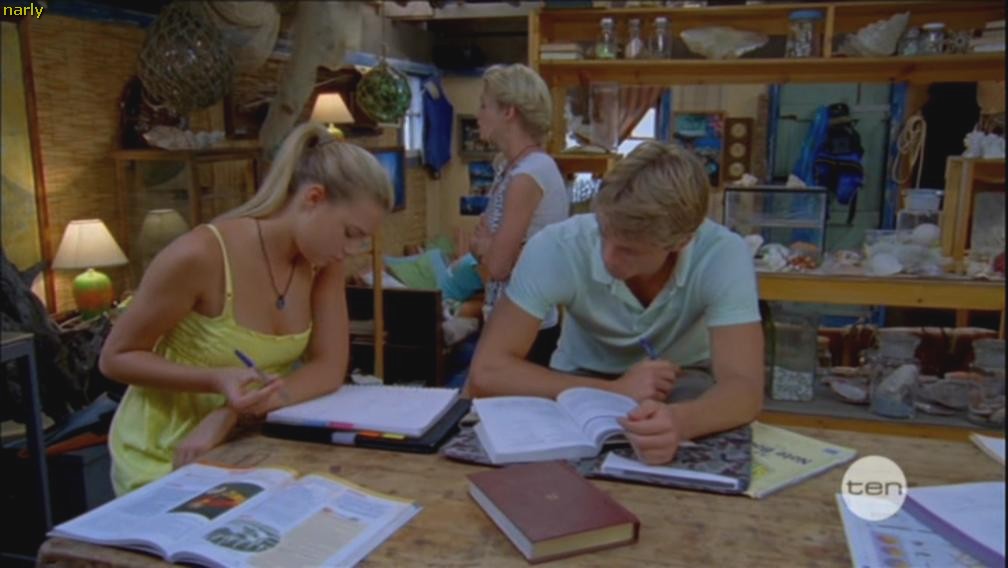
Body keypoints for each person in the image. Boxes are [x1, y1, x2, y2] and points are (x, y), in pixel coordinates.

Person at [99, 122, 393, 494]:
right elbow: (116, 358)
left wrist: (232, 412)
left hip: (247, 442)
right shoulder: (200, 255)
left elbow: (329, 368)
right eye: (350, 233)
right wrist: (216, 380)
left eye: (362, 240)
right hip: (167, 452)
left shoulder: (323, 263)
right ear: (313, 198)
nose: (351, 251)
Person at [468, 141, 764, 465]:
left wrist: (681, 422)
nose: (608, 256)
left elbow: (744, 389)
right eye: (604, 232)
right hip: (576, 382)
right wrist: (614, 391)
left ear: (681, 241)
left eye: (630, 249)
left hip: (683, 383)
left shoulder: (722, 254)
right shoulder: (559, 247)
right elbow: (487, 371)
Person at [469, 63, 569, 366]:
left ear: (508, 112)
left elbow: (498, 265)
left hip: (525, 327)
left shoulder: (529, 174)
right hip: (507, 318)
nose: (478, 114)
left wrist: (486, 247)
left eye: (484, 106)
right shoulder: (511, 168)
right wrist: (490, 248)